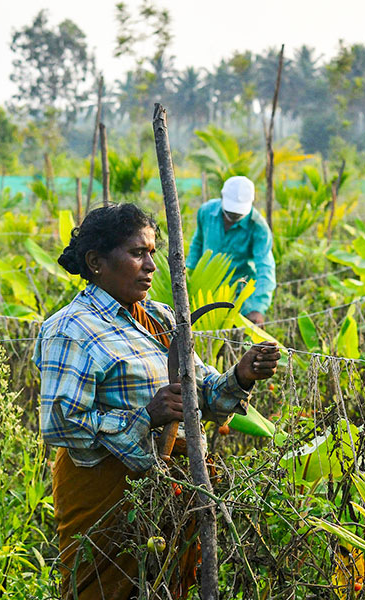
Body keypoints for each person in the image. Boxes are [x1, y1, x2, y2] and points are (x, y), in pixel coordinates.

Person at [34, 203, 280, 600]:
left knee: (166, 586)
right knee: (104, 590)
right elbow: (61, 425)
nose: (151, 265)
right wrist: (146, 416)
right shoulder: (71, 329)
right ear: (96, 262)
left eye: (152, 252)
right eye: (137, 253)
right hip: (105, 496)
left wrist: (240, 376)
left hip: (170, 491)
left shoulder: (162, 318)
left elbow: (201, 392)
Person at [186, 175, 276, 327]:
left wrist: (257, 307)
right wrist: (188, 277)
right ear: (222, 197)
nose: (233, 217)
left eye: (238, 214)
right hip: (206, 289)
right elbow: (197, 244)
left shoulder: (258, 228)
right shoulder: (206, 212)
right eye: (231, 212)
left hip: (239, 295)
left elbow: (265, 268)